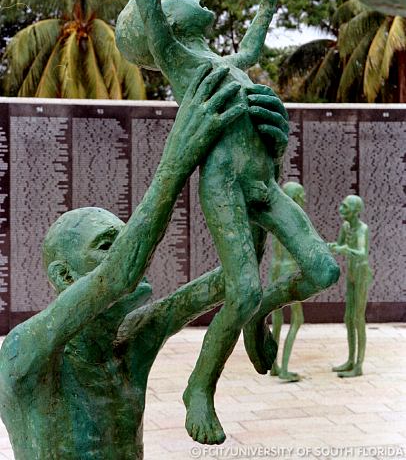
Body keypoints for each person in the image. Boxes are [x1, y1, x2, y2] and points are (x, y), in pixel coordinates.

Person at [96, 0, 339, 445]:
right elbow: (151, 2)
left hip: (263, 182)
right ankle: (199, 386)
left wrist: (266, 5)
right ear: (169, 27)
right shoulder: (180, 60)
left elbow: (252, 48)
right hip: (226, 186)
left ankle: (254, 316)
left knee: (322, 270)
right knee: (245, 286)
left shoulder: (222, 60)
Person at [0, 67, 288, 459]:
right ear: (65, 276)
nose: (134, 253)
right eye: (107, 245)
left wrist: (261, 166)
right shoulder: (26, 353)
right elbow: (120, 275)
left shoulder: (133, 342)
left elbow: (236, 275)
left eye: (125, 241)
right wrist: (176, 161)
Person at [328, 195, 372, 378]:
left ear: (355, 210)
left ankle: (359, 364)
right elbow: (338, 245)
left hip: (362, 273)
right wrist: (328, 247)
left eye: (345, 207)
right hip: (352, 274)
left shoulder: (362, 229)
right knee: (348, 318)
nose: (340, 209)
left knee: (358, 319)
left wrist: (346, 250)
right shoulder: (346, 226)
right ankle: (350, 360)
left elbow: (362, 253)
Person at [269, 182, 305, 382]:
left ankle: (274, 366)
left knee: (277, 320)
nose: (305, 200)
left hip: (275, 270)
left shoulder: (276, 216)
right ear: (296, 197)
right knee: (297, 319)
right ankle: (285, 369)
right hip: (290, 270)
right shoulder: (296, 218)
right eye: (302, 196)